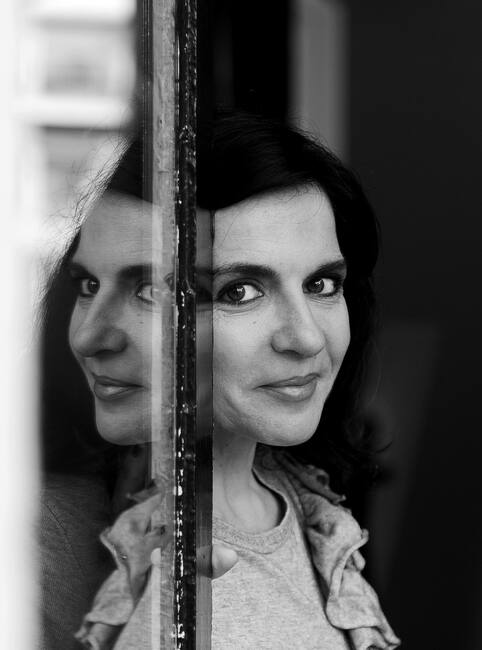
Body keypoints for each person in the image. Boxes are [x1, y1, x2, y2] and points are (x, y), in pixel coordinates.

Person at [41, 112, 400, 649]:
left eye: (322, 284)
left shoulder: (317, 519)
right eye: (240, 291)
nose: (306, 338)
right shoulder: (47, 542)